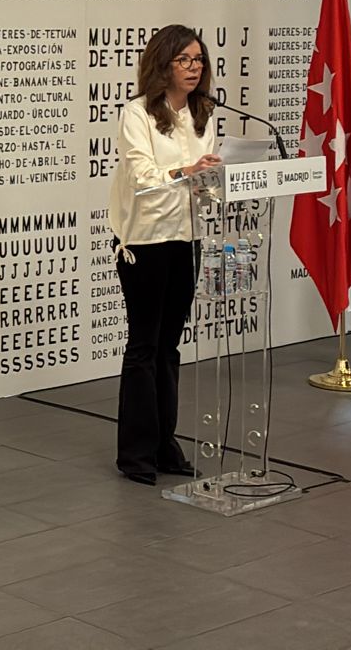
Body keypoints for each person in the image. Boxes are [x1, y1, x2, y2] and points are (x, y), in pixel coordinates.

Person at [107, 24, 221, 487]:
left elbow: (202, 183)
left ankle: (163, 443)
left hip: (186, 238)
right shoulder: (137, 113)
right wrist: (187, 170)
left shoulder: (203, 113)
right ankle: (135, 452)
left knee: (170, 345)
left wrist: (214, 179)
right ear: (163, 64)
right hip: (145, 241)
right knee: (144, 346)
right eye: (184, 60)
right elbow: (143, 176)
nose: (194, 68)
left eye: (199, 60)